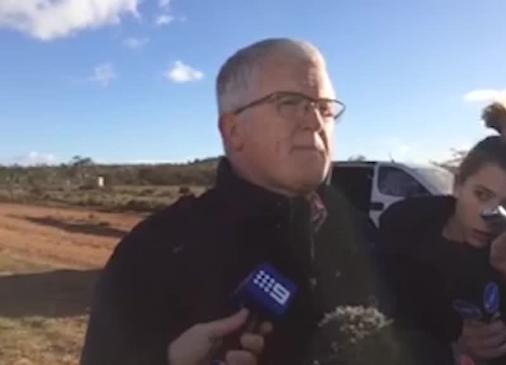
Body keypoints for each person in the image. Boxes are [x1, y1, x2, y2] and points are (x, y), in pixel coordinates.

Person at [81, 38, 386, 365]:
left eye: (324, 108)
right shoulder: (155, 250)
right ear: (233, 130)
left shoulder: (360, 231)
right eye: (288, 102)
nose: (314, 121)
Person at [379, 96, 506, 365]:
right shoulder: (404, 227)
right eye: (482, 195)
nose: (489, 215)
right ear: (458, 185)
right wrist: (450, 346)